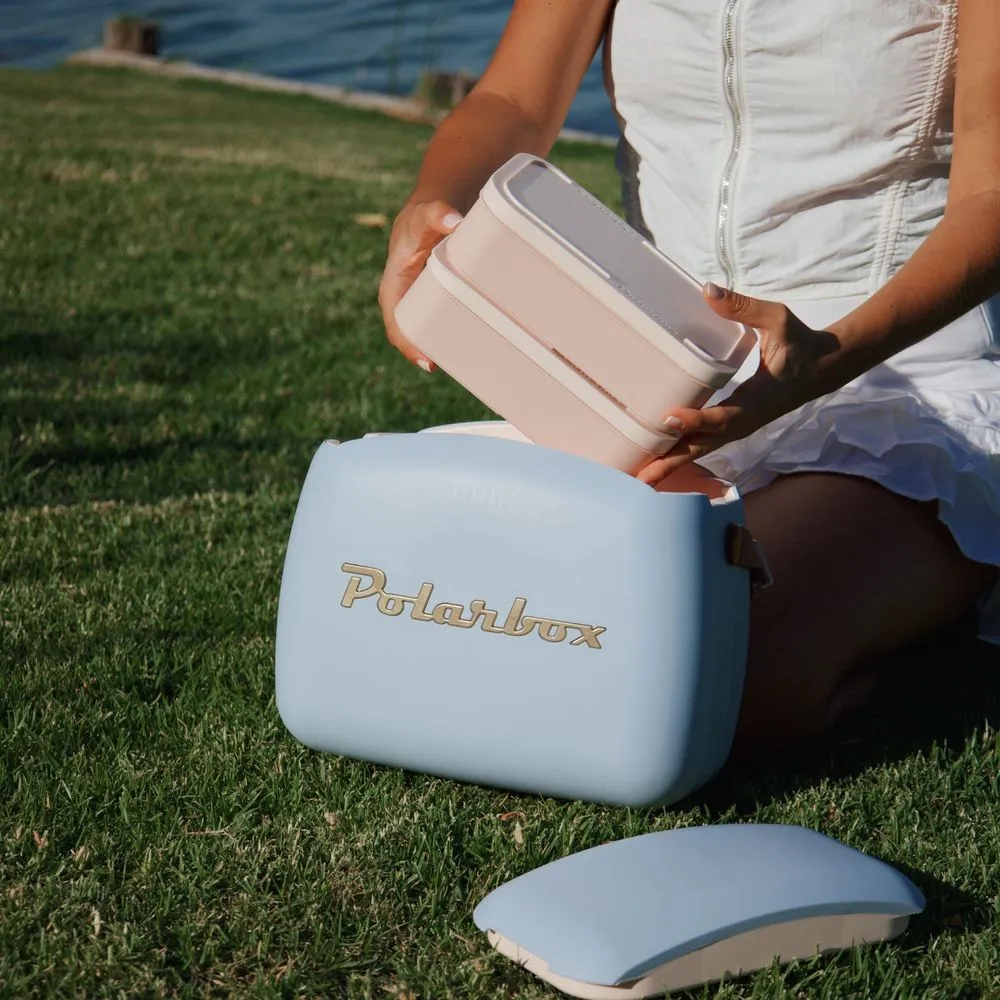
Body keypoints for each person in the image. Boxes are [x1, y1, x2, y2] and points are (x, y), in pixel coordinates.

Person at [378, 0, 1000, 759]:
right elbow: (513, 99)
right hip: (654, 389)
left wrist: (826, 359)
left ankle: (904, 594)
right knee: (452, 598)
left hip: (892, 389)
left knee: (702, 661)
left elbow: (990, 197)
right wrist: (435, 204)